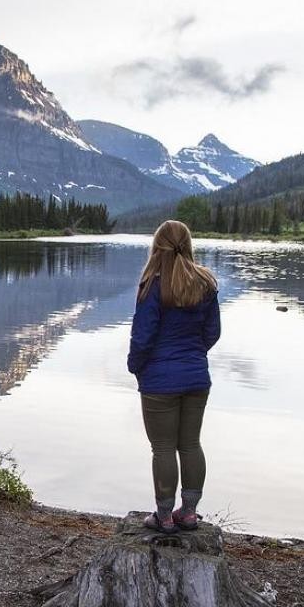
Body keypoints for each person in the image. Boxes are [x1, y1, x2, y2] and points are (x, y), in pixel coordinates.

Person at [127, 220, 221, 534]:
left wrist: (136, 366)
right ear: (188, 244)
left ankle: (164, 516)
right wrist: (193, 355)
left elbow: (143, 337)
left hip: (159, 381)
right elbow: (212, 333)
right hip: (197, 378)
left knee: (163, 448)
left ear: (158, 247)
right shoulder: (206, 283)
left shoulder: (153, 285)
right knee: (191, 444)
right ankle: (190, 513)